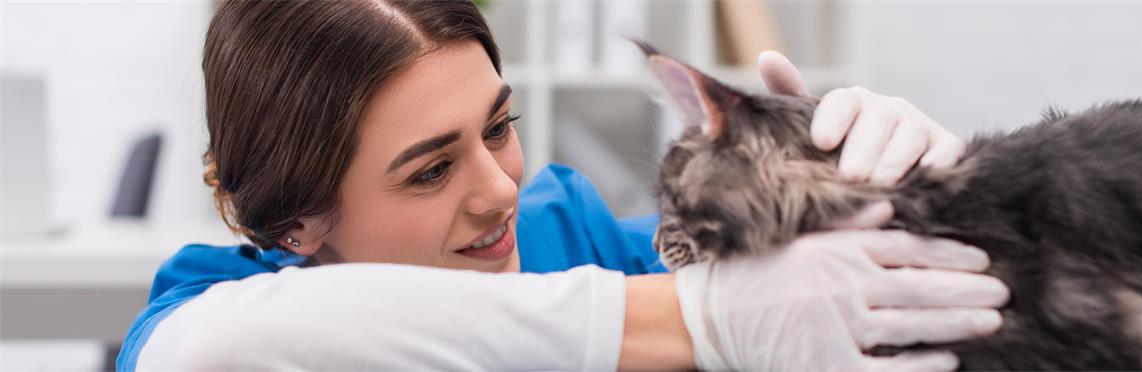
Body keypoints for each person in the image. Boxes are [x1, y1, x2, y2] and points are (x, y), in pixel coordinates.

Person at [117, 1, 1008, 370]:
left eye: (498, 128)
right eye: (430, 169)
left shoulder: (565, 232)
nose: (499, 190)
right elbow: (207, 352)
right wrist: (702, 320)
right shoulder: (217, 304)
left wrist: (870, 187)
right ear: (297, 224)